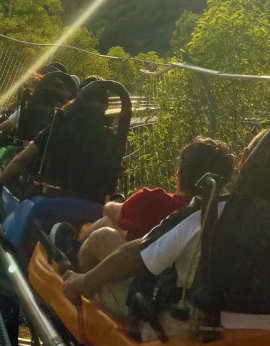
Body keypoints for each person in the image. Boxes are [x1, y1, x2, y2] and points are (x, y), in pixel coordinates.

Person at [62, 137, 235, 327]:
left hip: (151, 300)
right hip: (186, 296)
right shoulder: (227, 217)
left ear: (179, 173)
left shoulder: (181, 213)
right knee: (109, 227)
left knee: (102, 234)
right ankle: (76, 255)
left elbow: (137, 253)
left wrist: (87, 281)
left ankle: (73, 266)